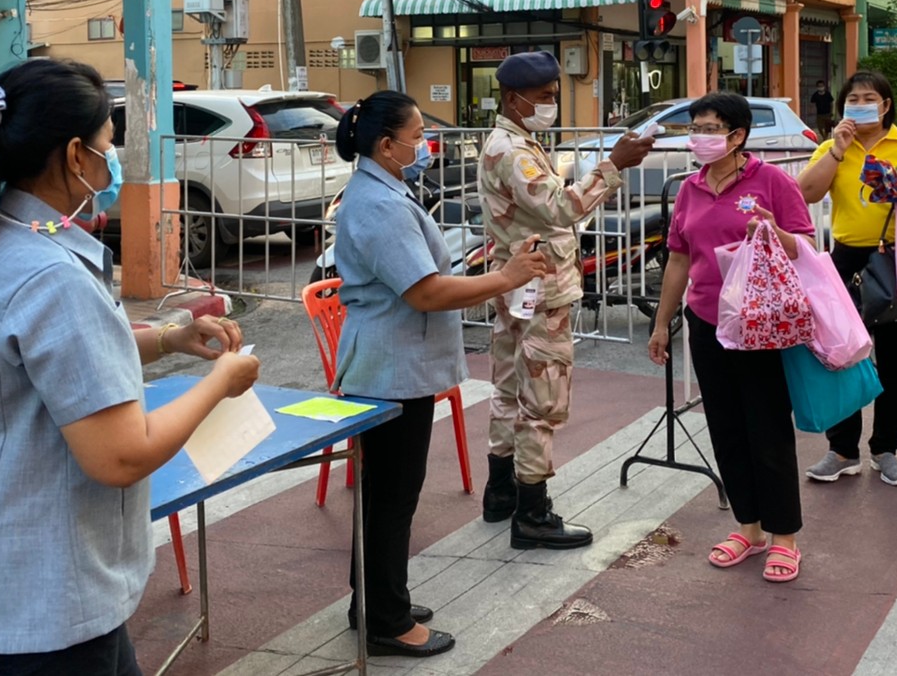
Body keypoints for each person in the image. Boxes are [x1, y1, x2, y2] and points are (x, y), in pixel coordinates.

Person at [0, 60, 260, 675]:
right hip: (52, 583)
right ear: (75, 156)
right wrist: (219, 383)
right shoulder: (50, 274)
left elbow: (63, 359)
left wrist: (169, 338)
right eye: (109, 146)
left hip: (33, 566)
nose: (112, 163)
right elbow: (120, 456)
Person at [331, 91, 550, 658]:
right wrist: (506, 278)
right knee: (392, 497)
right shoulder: (377, 204)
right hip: (389, 371)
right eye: (417, 135)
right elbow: (425, 291)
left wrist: (498, 268)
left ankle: (374, 599)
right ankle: (386, 620)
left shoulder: (387, 189)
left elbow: (428, 273)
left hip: (399, 365)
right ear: (386, 145)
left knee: (387, 493)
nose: (425, 144)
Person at [478, 50, 653, 549]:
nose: (552, 105)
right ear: (514, 100)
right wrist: (612, 166)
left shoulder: (515, 141)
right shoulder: (513, 151)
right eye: (544, 98)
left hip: (519, 283)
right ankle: (532, 513)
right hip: (538, 288)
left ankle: (501, 493)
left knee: (510, 387)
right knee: (542, 400)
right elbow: (560, 209)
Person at [647, 93, 815, 582]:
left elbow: (804, 246)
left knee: (767, 427)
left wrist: (772, 232)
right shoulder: (690, 188)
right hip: (706, 321)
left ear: (738, 135)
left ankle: (785, 536)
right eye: (696, 127)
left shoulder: (772, 182)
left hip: (760, 324)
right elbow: (679, 258)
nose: (700, 136)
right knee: (724, 425)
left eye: (712, 127)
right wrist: (662, 323)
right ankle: (749, 527)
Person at [796, 70, 897, 488]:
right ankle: (842, 450)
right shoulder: (834, 146)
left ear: (886, 105)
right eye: (853, 98)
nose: (861, 104)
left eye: (870, 97)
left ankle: (886, 450)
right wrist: (836, 150)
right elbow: (806, 192)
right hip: (846, 260)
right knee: (840, 355)